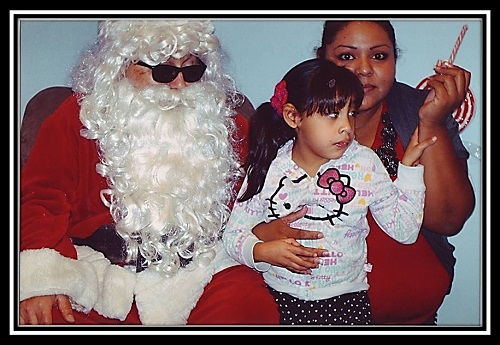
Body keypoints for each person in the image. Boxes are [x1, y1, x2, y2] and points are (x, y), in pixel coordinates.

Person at [19, 20, 280, 326]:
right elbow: (41, 202)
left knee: (248, 307)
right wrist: (42, 281)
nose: (179, 85)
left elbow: (256, 202)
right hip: (103, 275)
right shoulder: (78, 116)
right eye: (164, 71)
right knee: (48, 315)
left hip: (199, 272)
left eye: (192, 70)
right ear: (122, 65)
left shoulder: (225, 123)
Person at [252, 20, 475, 325]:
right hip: (302, 315)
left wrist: (432, 123)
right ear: (322, 59)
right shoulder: (293, 122)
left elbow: (449, 219)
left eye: (379, 56)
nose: (364, 69)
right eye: (346, 56)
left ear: (395, 59)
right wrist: (260, 236)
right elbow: (244, 224)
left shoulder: (419, 110)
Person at [223, 58, 438, 325]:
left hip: (346, 304)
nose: (346, 126)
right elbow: (233, 236)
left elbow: (405, 231)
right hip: (275, 298)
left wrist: (409, 170)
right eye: (332, 114)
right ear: (294, 116)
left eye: (351, 113)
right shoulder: (268, 167)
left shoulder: (365, 164)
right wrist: (261, 252)